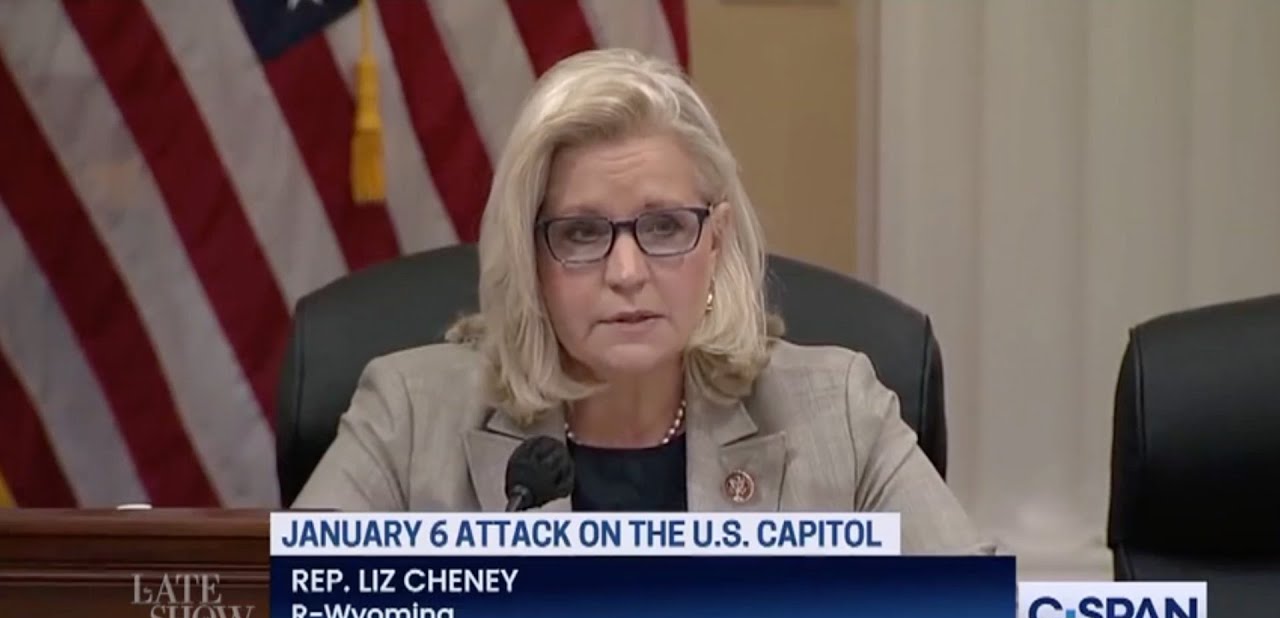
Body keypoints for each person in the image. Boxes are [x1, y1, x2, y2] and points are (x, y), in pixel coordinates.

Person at [293, 48, 992, 555]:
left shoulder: (840, 413)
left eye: (663, 228)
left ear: (715, 241)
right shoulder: (410, 418)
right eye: (581, 233)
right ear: (530, 258)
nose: (626, 272)